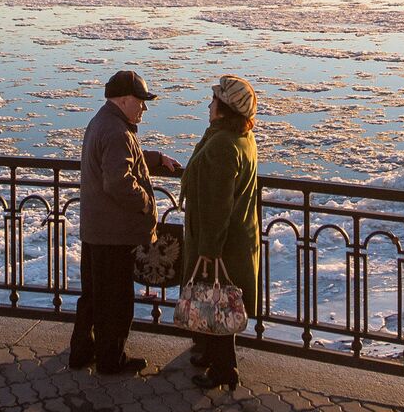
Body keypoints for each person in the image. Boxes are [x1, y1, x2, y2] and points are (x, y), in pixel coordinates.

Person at [68, 69, 182, 375]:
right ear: (123, 99)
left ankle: (81, 351)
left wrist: (156, 159)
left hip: (96, 228)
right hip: (112, 233)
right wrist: (146, 204)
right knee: (116, 300)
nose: (144, 108)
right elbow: (118, 181)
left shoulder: (103, 121)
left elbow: (121, 157)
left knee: (93, 295)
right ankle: (111, 358)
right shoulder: (118, 131)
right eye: (140, 101)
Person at [181, 74, 261, 390]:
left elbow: (216, 205)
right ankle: (213, 357)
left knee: (217, 299)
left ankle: (224, 369)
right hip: (238, 239)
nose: (209, 104)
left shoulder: (224, 147)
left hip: (220, 244)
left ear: (225, 109)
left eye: (214, 100)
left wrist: (209, 250)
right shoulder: (240, 138)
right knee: (219, 299)